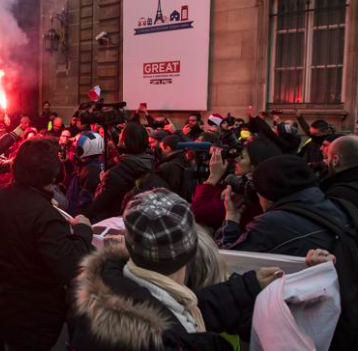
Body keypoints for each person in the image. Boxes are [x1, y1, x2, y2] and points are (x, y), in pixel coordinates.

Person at [71, 189, 283, 351]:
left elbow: (169, 309)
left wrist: (247, 286)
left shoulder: (103, 289)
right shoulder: (177, 343)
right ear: (192, 250)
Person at [0, 137, 94, 351]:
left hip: (0, 302)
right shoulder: (44, 216)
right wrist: (83, 231)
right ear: (52, 173)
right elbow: (72, 266)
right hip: (33, 315)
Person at [217, 155, 348, 255]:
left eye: (258, 191)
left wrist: (231, 218)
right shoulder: (339, 206)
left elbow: (228, 258)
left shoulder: (272, 223)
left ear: (269, 194)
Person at [192, 139, 280, 231]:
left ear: (254, 166)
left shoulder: (250, 196)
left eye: (241, 157)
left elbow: (198, 211)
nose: (236, 160)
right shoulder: (262, 187)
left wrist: (213, 177)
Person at [89, 122, 154, 222]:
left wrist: (102, 183)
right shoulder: (150, 161)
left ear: (125, 141)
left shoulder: (115, 174)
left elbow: (97, 206)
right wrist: (111, 130)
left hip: (114, 221)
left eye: (122, 133)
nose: (119, 134)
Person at [155, 134, 194, 201]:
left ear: (168, 148)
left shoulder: (168, 166)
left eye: (161, 149)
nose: (160, 152)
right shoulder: (189, 162)